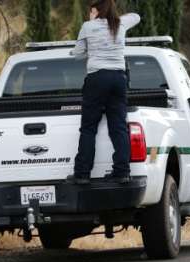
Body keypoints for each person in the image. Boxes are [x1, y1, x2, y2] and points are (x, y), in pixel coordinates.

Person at [66, 0, 140, 185]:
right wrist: (111, 18)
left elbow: (78, 53)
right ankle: (122, 172)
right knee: (119, 127)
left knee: (89, 128)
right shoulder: (120, 24)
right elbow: (136, 17)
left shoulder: (88, 26)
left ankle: (82, 174)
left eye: (91, 11)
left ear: (96, 10)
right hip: (118, 79)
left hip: (97, 78)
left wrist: (85, 46)